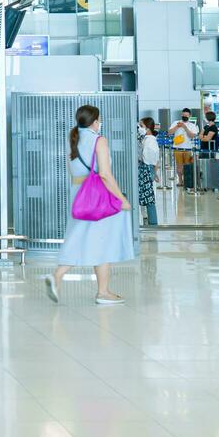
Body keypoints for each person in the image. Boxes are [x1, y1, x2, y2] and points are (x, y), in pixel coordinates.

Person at [46, 105, 135, 306]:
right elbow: (104, 173)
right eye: (99, 119)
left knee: (86, 237)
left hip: (78, 193)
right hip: (97, 195)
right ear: (95, 121)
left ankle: (100, 290)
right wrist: (121, 199)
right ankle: (61, 277)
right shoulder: (99, 140)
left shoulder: (73, 139)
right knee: (98, 239)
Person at [136, 117, 159, 226]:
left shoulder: (150, 141)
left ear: (148, 128)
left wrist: (154, 172)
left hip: (146, 168)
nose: (139, 128)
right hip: (145, 169)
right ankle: (147, 219)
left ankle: (153, 222)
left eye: (141, 126)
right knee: (146, 197)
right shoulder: (146, 139)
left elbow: (152, 159)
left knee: (149, 198)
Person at [170, 108, 199, 190]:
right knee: (179, 167)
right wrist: (177, 126)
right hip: (177, 148)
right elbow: (169, 132)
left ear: (190, 116)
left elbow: (192, 136)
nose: (184, 116)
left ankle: (187, 181)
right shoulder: (176, 123)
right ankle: (180, 180)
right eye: (183, 115)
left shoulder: (192, 125)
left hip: (188, 149)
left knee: (187, 166)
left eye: (186, 115)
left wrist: (185, 128)